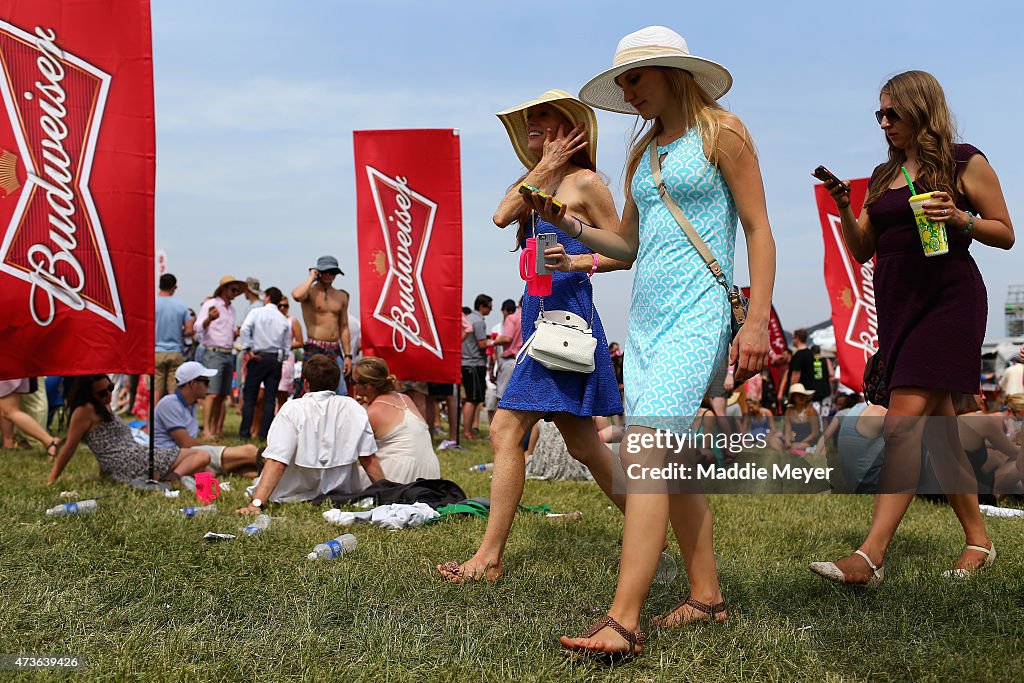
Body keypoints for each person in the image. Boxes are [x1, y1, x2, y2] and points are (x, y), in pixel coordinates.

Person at [536, 27, 774, 656]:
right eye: (622, 80)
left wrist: (755, 321)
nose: (626, 89)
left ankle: (622, 620)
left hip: (699, 315)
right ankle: (706, 595)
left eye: (634, 77)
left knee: (644, 456)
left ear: (671, 72)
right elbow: (631, 247)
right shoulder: (643, 155)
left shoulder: (724, 131)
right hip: (646, 321)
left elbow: (758, 228)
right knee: (674, 463)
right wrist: (573, 231)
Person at [810, 70, 1014, 586]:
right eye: (878, 114)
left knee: (903, 424)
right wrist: (841, 204)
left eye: (891, 112)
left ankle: (871, 555)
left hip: (948, 302)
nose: (883, 122)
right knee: (941, 434)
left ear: (921, 109)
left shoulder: (964, 161)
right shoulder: (883, 176)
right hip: (900, 306)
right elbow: (861, 249)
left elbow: (1005, 233)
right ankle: (979, 539)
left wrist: (959, 218)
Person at [436, 88, 633, 586]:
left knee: (505, 430)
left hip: (568, 319)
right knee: (585, 446)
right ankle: (657, 527)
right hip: (536, 318)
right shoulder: (531, 183)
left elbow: (623, 251)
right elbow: (501, 215)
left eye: (543, 117)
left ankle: (489, 559)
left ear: (570, 128)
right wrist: (541, 169)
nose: (532, 125)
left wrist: (576, 260)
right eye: (529, 120)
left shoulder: (588, 184)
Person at [235, 355, 384, 512]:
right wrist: (389, 494)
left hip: (294, 495)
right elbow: (369, 459)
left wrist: (256, 503)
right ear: (335, 383)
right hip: (339, 496)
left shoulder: (292, 409)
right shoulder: (353, 408)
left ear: (306, 383)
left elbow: (277, 461)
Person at [48, 375, 210, 485]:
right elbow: (70, 447)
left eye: (110, 388)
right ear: (88, 395)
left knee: (203, 466)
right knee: (202, 456)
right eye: (102, 393)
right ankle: (171, 480)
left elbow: (105, 444)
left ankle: (168, 477)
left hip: (136, 455)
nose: (109, 395)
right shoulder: (84, 410)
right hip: (132, 462)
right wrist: (52, 479)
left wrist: (103, 474)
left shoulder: (102, 406)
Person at [152, 362, 261, 477]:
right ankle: (275, 463)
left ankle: (272, 471)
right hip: (177, 455)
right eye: (206, 382)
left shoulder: (190, 404)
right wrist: (216, 446)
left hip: (187, 453)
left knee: (248, 467)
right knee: (249, 451)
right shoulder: (169, 404)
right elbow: (185, 443)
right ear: (192, 383)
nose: (209, 386)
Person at [352, 357, 441, 483]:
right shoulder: (405, 398)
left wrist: (385, 491)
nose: (352, 386)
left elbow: (364, 457)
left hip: (400, 477)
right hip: (430, 475)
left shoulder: (372, 413)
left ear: (368, 386)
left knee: (346, 474)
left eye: (353, 381)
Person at [291, 256, 353, 395]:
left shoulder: (341, 296)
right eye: (326, 271)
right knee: (308, 391)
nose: (329, 275)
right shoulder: (309, 292)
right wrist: (311, 277)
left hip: (334, 349)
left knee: (340, 391)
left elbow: (344, 326)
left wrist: (348, 355)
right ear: (319, 272)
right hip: (315, 347)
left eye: (332, 272)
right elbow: (296, 295)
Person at [237, 287, 292, 440]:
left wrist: (248, 347)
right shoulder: (283, 319)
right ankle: (265, 434)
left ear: (267, 297)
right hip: (274, 359)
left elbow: (244, 329)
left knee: (250, 398)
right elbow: (286, 344)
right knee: (270, 399)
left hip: (258, 356)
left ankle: (244, 433)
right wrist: (282, 358)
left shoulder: (256, 312)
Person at [196, 275, 246, 439]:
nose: (235, 293)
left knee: (222, 394)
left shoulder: (231, 309)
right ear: (223, 289)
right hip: (214, 352)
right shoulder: (211, 304)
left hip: (227, 352)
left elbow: (226, 333)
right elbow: (198, 326)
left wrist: (235, 335)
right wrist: (209, 319)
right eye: (233, 289)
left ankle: (216, 430)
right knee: (212, 393)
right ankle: (207, 430)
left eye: (237, 290)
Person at [154, 273, 193, 400]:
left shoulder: (151, 304)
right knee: (173, 392)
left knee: (155, 392)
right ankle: (172, 418)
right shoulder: (181, 306)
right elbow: (189, 330)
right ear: (174, 287)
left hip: (155, 351)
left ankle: (153, 419)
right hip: (175, 351)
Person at [461, 294, 492, 440]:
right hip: (474, 363)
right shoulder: (478, 321)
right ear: (482, 306)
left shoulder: (469, 318)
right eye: (489, 307)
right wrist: (496, 341)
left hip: (467, 362)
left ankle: (468, 430)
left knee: (473, 399)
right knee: (472, 400)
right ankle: (467, 431)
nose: (491, 310)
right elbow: (482, 344)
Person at [0, 378, 58, 456]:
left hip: (8, 371)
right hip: (12, 371)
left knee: (10, 412)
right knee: (7, 411)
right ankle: (8, 443)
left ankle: (49, 442)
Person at [276, 297, 304, 411]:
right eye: (280, 305)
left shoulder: (292, 320)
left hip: (286, 359)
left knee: (282, 393)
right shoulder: (271, 320)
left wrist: (284, 346)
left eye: (285, 306)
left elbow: (300, 341)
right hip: (272, 358)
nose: (282, 308)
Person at [783, 383, 820, 454]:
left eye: (803, 395)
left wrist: (802, 443)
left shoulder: (811, 411)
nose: (801, 397)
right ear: (793, 398)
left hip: (809, 440)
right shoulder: (789, 411)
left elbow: (815, 433)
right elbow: (788, 429)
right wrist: (787, 442)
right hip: (795, 439)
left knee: (797, 447)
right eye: (798, 395)